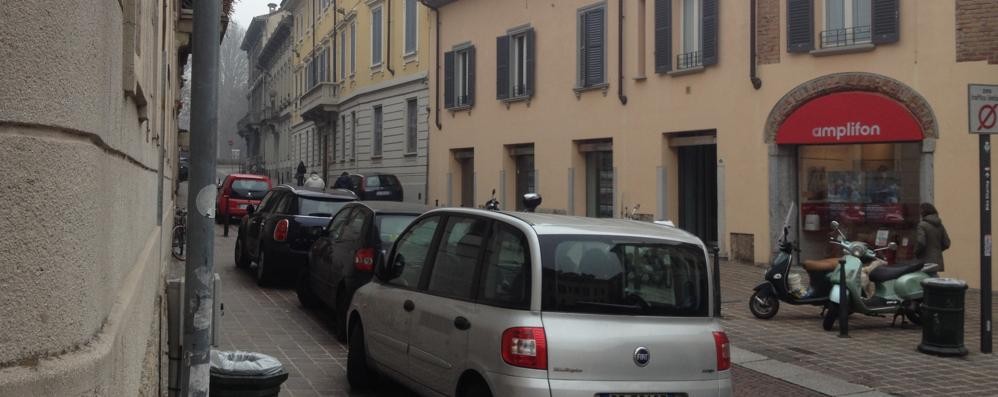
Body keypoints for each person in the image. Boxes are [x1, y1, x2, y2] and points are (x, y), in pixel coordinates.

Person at [915, 203, 950, 273]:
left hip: (925, 261)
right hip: (937, 260)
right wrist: (936, 250)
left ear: (923, 212)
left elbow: (921, 242)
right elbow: (947, 243)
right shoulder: (940, 225)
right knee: (934, 279)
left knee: (924, 280)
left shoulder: (922, 225)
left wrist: (916, 253)